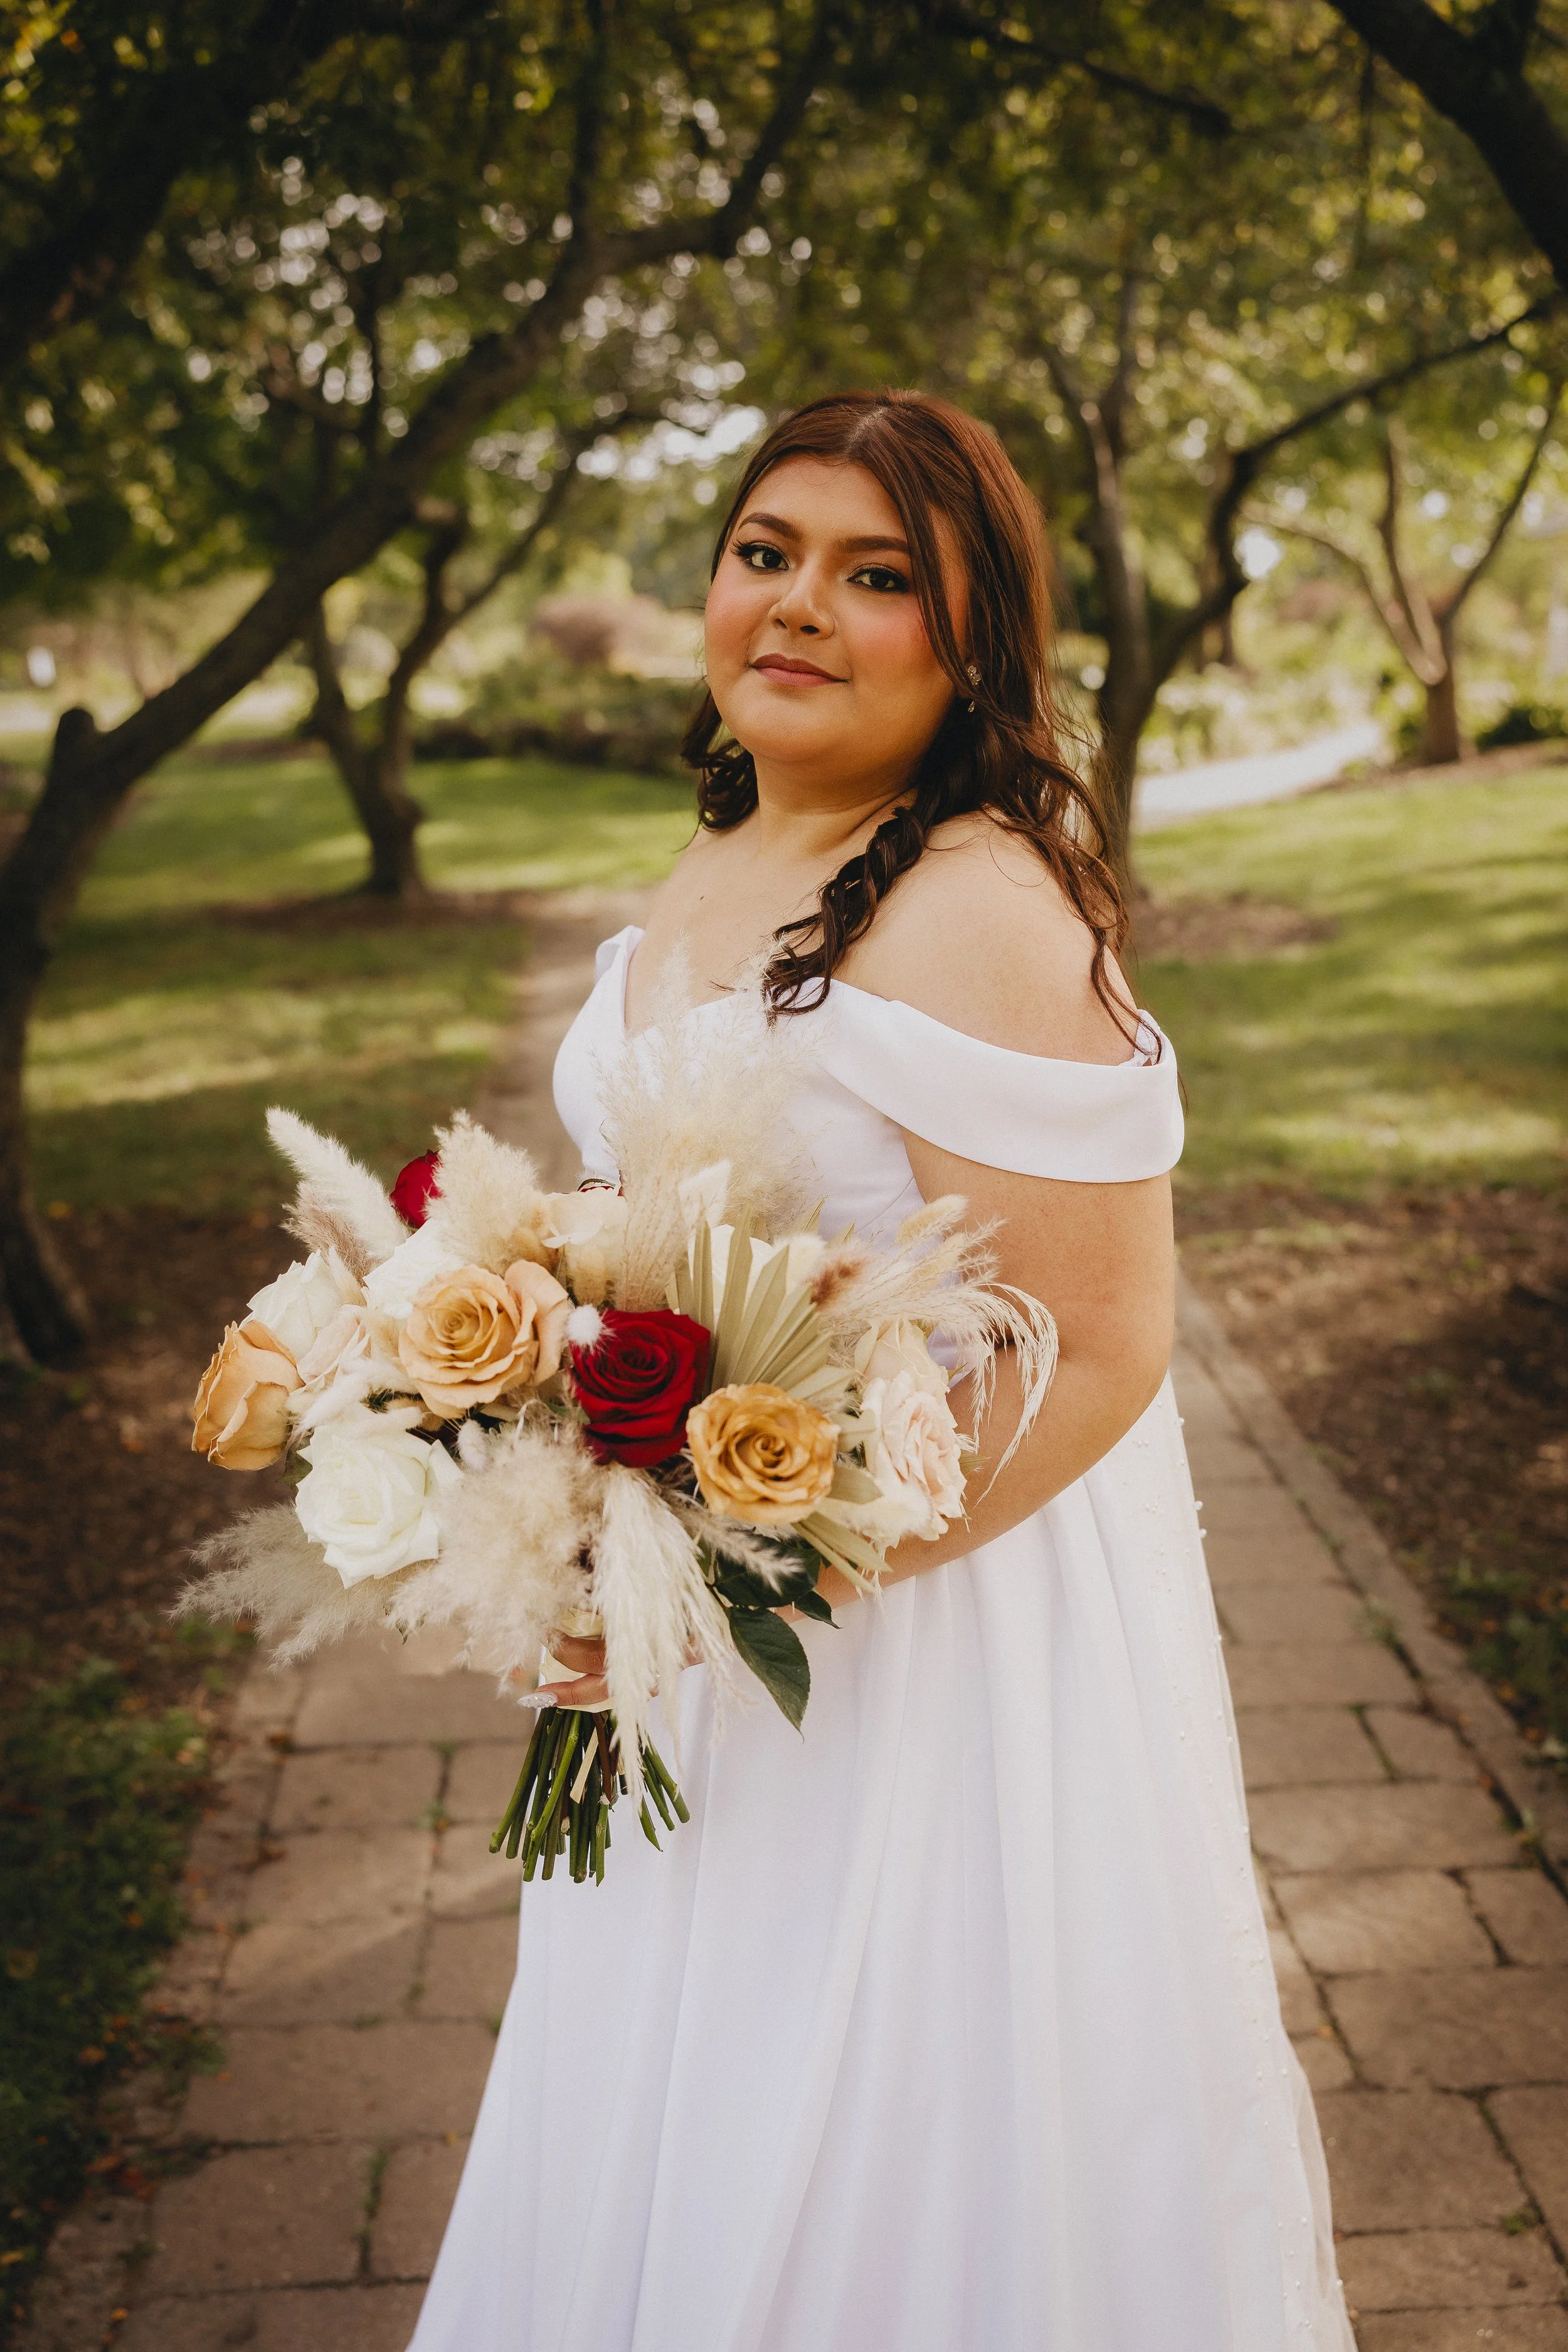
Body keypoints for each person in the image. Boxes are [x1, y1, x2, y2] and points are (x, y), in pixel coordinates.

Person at [407, 389, 1354, 2351]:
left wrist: (746, 1574)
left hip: (920, 1639)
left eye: (875, 575)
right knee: (681, 2083)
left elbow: (1103, 1345)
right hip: (713, 1623)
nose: (796, 604)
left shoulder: (981, 908)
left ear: (971, 634)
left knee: (886, 2121)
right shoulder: (732, 846)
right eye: (765, 553)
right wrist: (554, 1481)